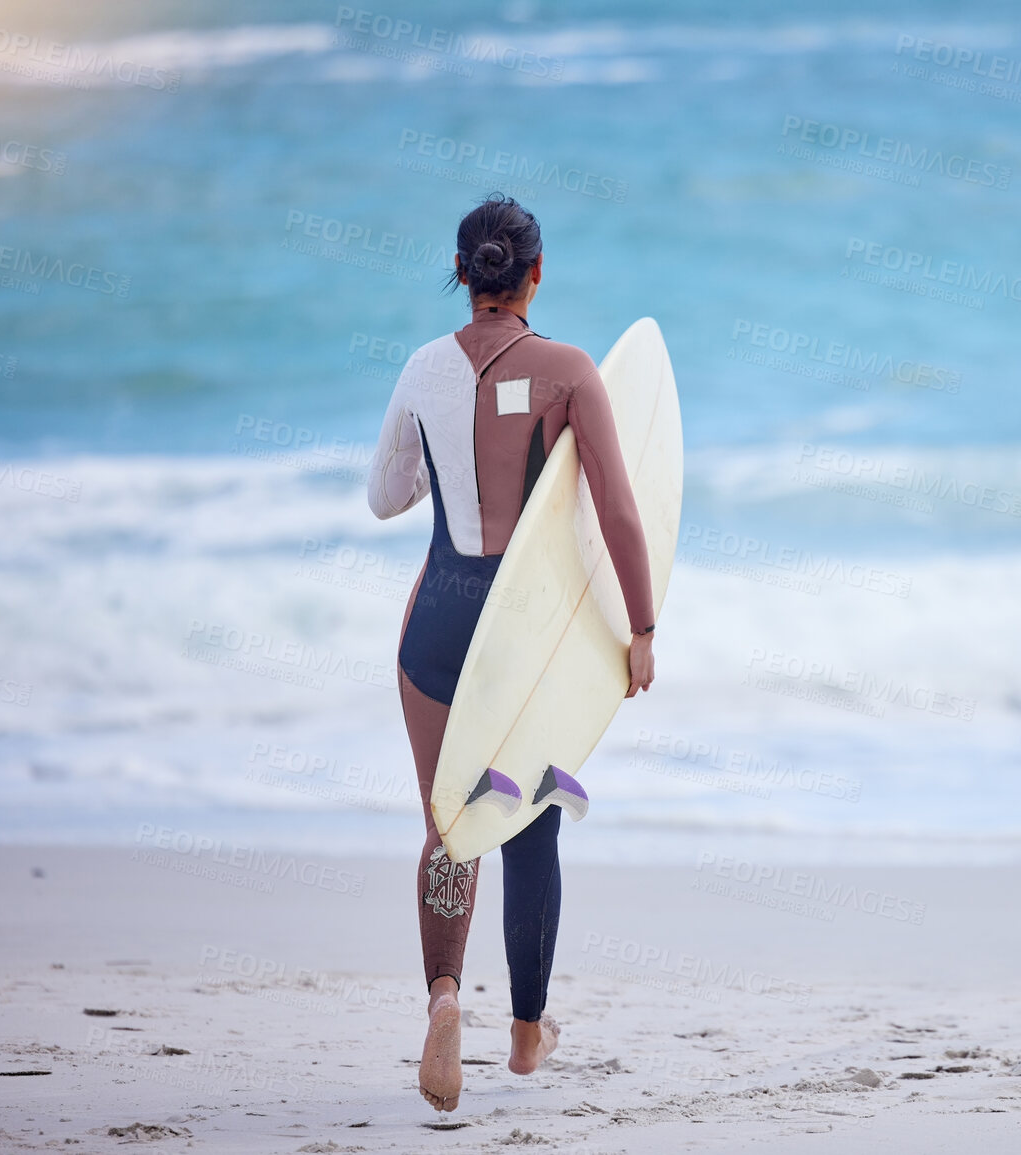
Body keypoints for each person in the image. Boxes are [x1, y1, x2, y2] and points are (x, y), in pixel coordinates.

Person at [366, 194, 657, 1112]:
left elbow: (385, 498)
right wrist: (640, 630)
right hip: (523, 634)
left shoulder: (420, 369)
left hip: (438, 625)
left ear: (463, 275)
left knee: (449, 821)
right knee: (528, 819)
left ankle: (444, 996)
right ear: (535, 274)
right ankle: (527, 1031)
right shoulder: (571, 371)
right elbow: (615, 510)